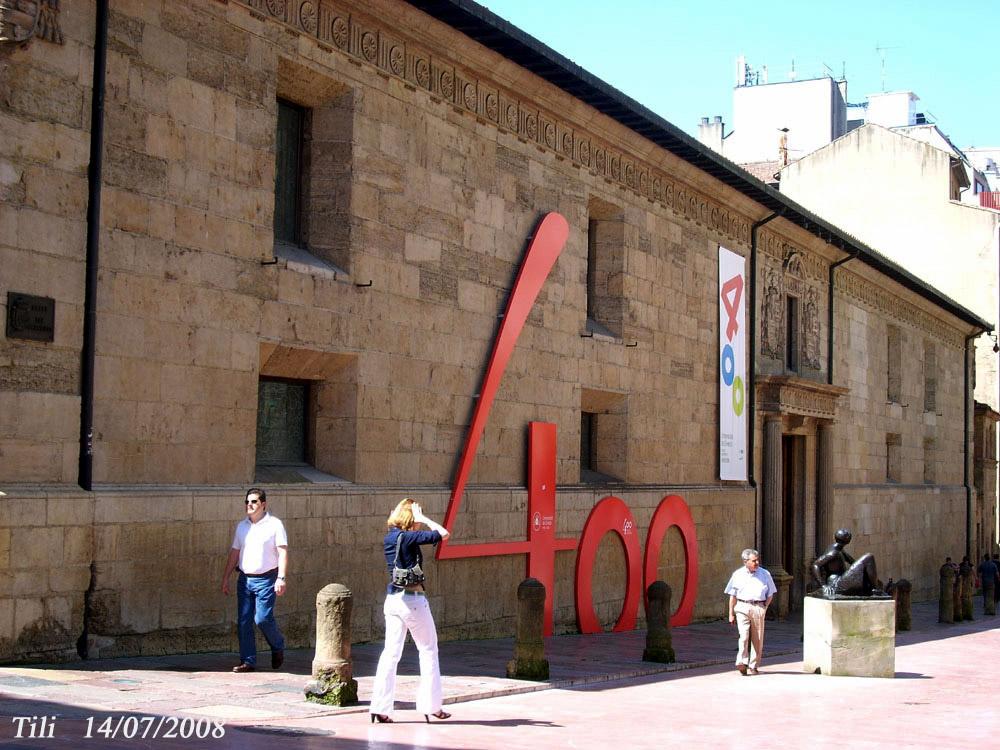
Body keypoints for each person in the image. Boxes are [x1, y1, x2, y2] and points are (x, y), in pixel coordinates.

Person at [369, 498, 452, 724]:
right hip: (414, 600)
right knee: (428, 650)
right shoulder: (410, 537)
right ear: (411, 518)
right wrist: (424, 519)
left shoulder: (390, 538)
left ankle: (379, 706)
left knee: (390, 654)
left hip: (393, 600)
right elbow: (444, 533)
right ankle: (432, 705)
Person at [220, 487, 288, 673]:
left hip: (267, 578)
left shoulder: (274, 524)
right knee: (243, 621)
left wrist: (281, 577)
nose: (249, 505)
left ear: (263, 504)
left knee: (263, 619)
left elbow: (282, 552)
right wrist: (226, 578)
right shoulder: (242, 526)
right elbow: (235, 553)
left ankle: (278, 645)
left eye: (254, 502)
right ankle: (247, 660)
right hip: (245, 578)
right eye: (247, 502)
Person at [724, 548, 776, 676]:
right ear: (745, 561)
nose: (757, 562)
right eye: (754, 561)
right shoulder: (737, 574)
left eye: (757, 560)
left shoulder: (765, 574)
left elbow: (770, 594)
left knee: (757, 639)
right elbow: (732, 595)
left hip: (758, 606)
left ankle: (754, 665)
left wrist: (765, 607)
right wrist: (731, 614)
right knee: (744, 635)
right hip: (742, 606)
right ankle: (741, 662)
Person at [810, 528, 880, 598]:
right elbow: (815, 565)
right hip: (837, 584)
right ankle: (876, 589)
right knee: (869, 557)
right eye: (846, 534)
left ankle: (874, 587)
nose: (848, 533)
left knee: (867, 561)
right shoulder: (833, 553)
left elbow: (854, 563)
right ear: (846, 540)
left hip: (841, 580)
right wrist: (823, 585)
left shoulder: (840, 550)